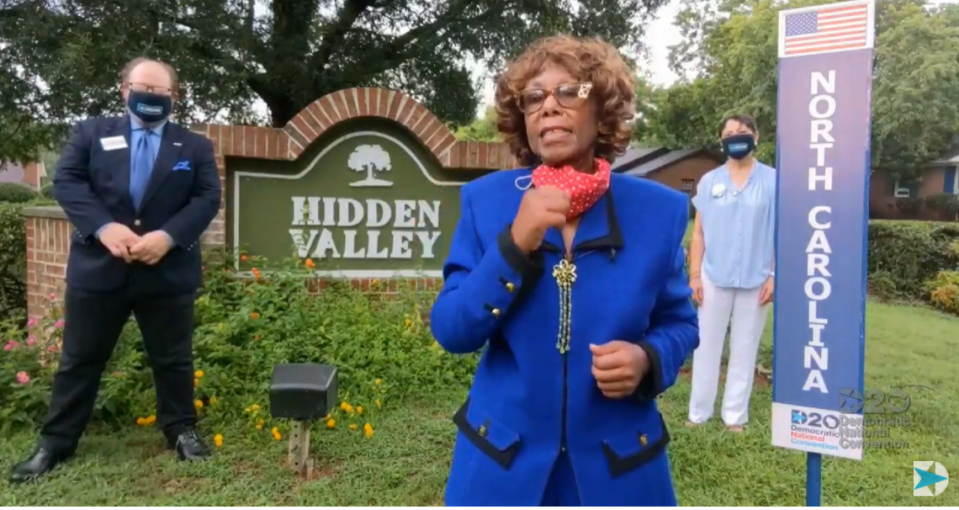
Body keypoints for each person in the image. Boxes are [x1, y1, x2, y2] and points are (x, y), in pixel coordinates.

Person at [429, 35, 699, 506]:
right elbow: (453, 330)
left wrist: (646, 359)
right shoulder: (485, 202)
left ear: (603, 108)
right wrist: (516, 243)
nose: (548, 107)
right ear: (523, 120)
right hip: (501, 465)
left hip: (618, 470)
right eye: (534, 98)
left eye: (569, 91)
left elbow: (680, 323)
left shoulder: (659, 212)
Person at [10, 57, 221, 483]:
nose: (151, 97)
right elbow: (68, 182)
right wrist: (104, 227)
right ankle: (56, 443)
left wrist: (167, 237)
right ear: (124, 89)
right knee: (79, 360)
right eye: (142, 87)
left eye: (161, 92)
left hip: (167, 270)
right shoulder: (91, 133)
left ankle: (180, 430)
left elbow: (206, 198)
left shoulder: (193, 146)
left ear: (174, 99)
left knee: (174, 359)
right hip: (99, 269)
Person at [686, 114, 776, 433]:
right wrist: (695, 276)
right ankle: (698, 414)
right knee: (705, 345)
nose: (735, 137)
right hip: (713, 277)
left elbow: (783, 231)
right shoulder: (710, 181)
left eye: (742, 132)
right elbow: (698, 233)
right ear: (721, 140)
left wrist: (774, 275)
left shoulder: (774, 181)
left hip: (757, 279)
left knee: (744, 347)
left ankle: (734, 417)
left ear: (756, 136)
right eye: (728, 133)